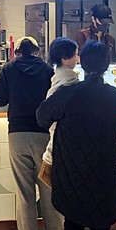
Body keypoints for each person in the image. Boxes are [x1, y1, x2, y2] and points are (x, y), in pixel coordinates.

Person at [37, 41, 116, 230]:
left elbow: (42, 116)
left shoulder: (69, 94)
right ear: (107, 65)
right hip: (105, 171)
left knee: (73, 222)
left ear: (81, 63)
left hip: (71, 169)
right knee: (101, 228)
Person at [0, 36, 64, 230]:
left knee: (24, 190)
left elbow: (0, 99)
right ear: (36, 51)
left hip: (18, 133)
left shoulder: (9, 68)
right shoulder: (47, 70)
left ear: (17, 52)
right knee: (49, 188)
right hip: (43, 133)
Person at [38, 37, 79, 187]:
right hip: (61, 147)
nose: (77, 59)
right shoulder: (69, 82)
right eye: (74, 55)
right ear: (64, 58)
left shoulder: (58, 78)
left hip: (54, 146)